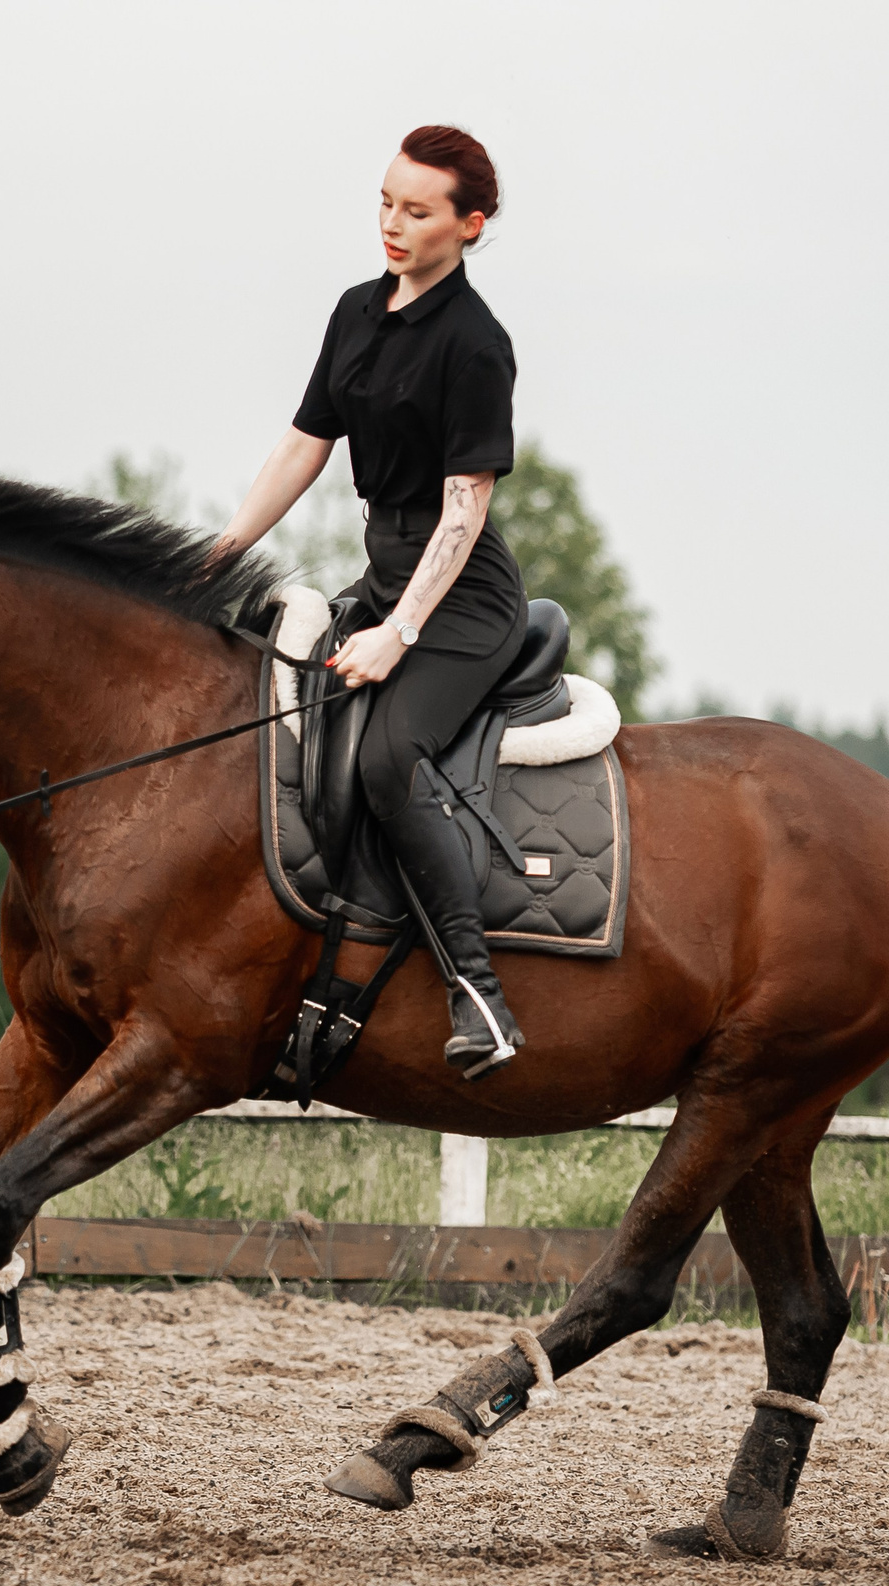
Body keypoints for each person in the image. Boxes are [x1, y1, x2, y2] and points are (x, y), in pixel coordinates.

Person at [214, 124, 529, 1078]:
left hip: (461, 598)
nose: (393, 223)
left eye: (418, 210)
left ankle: (480, 992)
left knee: (392, 756)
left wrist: (400, 631)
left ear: (469, 226)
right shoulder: (356, 310)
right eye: (385, 202)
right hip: (384, 568)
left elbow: (465, 506)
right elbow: (305, 446)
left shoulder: (478, 346)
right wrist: (219, 554)